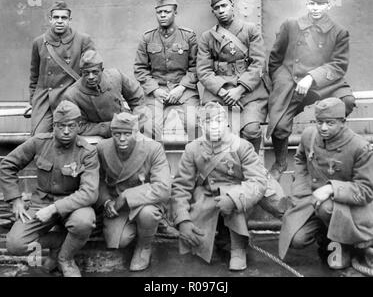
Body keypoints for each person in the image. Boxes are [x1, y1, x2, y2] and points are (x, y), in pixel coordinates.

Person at [171, 102, 284, 271]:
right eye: (209, 122)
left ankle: (238, 249)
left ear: (226, 123)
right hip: (210, 195)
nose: (215, 126)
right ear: (202, 125)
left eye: (219, 120)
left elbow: (257, 181)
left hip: (239, 193)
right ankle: (219, 238)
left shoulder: (242, 146)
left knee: (235, 199)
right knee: (196, 244)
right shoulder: (193, 149)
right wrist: (182, 219)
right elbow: (181, 186)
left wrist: (233, 198)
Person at [267, 0, 355, 181]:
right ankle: (280, 162)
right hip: (291, 79)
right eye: (312, 3)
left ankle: (325, 147)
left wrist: (311, 77)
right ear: (307, 4)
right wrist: (280, 83)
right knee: (279, 127)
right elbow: (275, 58)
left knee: (347, 102)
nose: (315, 8)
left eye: (320, 4)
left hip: (324, 82)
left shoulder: (339, 32)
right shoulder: (291, 25)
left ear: (328, 6)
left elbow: (339, 65)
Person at [0, 101, 99, 277]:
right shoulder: (39, 142)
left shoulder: (87, 152)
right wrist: (15, 199)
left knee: (84, 222)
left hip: (73, 205)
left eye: (71, 126)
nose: (66, 131)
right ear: (54, 125)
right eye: (61, 126)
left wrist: (54, 209)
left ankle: (65, 259)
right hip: (40, 203)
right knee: (15, 244)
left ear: (79, 126)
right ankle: (57, 243)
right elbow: (7, 165)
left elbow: (89, 193)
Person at [279, 98, 373, 272]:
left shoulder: (360, 147)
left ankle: (343, 244)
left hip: (347, 207)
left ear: (343, 122)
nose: (323, 128)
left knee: (326, 208)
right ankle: (326, 237)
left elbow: (366, 190)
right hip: (311, 199)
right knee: (296, 239)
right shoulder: (309, 135)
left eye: (330, 123)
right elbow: (299, 158)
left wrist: (332, 188)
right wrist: (301, 187)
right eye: (319, 122)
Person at [96, 112, 171, 271]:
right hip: (118, 207)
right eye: (117, 134)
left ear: (136, 133)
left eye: (127, 134)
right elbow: (98, 180)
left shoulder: (152, 148)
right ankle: (138, 230)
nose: (122, 139)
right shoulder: (102, 148)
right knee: (120, 241)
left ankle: (144, 246)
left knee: (148, 214)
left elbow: (163, 188)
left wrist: (126, 196)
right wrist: (106, 201)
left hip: (146, 202)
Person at [197, 0, 269, 154]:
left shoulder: (250, 30)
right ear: (213, 12)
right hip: (219, 94)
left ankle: (251, 165)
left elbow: (258, 63)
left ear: (232, 6)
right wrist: (224, 92)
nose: (221, 10)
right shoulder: (207, 37)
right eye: (217, 8)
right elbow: (203, 71)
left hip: (249, 93)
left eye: (224, 6)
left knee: (251, 130)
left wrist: (240, 90)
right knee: (216, 131)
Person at [134, 0, 199, 142]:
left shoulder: (188, 36)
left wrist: (181, 88)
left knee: (193, 124)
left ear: (175, 13)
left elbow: (196, 67)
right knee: (148, 127)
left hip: (184, 90)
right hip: (157, 91)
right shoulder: (147, 38)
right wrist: (155, 90)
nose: (162, 15)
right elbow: (140, 68)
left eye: (167, 12)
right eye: (159, 12)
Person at [29, 1, 95, 135]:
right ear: (50, 19)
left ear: (69, 20)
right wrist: (32, 101)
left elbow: (92, 71)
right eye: (56, 17)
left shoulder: (83, 40)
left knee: (69, 135)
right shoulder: (39, 42)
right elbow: (34, 75)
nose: (59, 21)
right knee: (39, 137)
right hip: (45, 100)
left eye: (64, 18)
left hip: (72, 98)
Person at [63, 50, 147, 138]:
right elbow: (78, 126)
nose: (91, 77)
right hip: (98, 133)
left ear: (102, 70)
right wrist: (108, 127)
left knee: (151, 133)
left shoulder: (115, 76)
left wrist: (137, 118)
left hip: (126, 122)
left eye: (95, 72)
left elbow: (137, 96)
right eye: (86, 73)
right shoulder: (72, 95)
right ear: (81, 72)